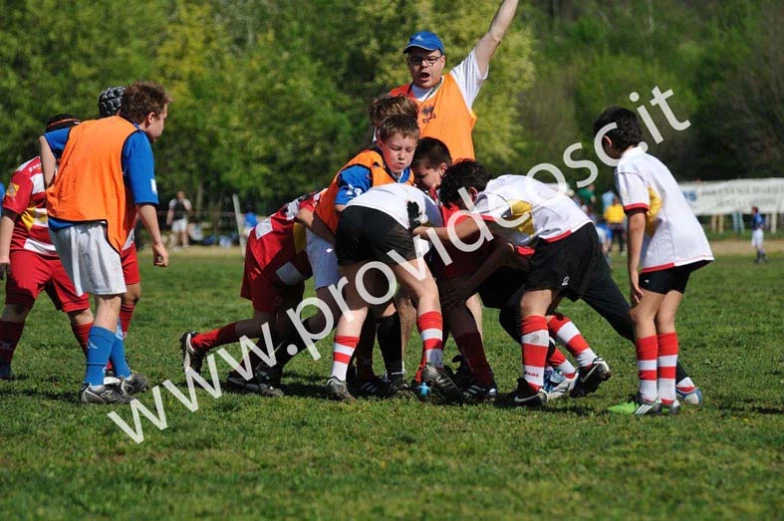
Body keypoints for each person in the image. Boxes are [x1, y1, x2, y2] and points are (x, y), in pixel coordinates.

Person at [40, 80, 171, 405]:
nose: (164, 125)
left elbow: (45, 139)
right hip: (92, 224)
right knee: (112, 300)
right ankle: (93, 383)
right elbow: (144, 200)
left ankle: (122, 373)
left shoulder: (85, 129)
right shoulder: (135, 138)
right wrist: (158, 242)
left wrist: (50, 180)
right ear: (150, 116)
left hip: (59, 222)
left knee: (106, 299)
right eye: (165, 118)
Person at [594, 107, 714, 415]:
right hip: (691, 241)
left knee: (639, 316)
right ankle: (668, 398)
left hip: (667, 243)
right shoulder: (651, 160)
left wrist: (632, 266)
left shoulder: (626, 167)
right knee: (663, 318)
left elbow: (636, 217)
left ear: (607, 142)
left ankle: (648, 398)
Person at [328, 182, 461, 402]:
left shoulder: (392, 189)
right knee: (427, 292)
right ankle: (435, 364)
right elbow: (419, 249)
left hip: (349, 218)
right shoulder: (433, 210)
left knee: (355, 305)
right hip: (384, 221)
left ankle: (337, 377)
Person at [180, 191, 322, 396]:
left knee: (287, 323)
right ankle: (197, 343)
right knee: (263, 325)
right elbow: (304, 215)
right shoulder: (338, 194)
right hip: (269, 250)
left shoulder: (342, 194)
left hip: (292, 257)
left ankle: (242, 373)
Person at [0, 115, 94, 380]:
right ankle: (2, 361)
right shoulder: (28, 172)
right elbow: (8, 215)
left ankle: (104, 369)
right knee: (18, 306)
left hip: (65, 254)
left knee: (81, 311)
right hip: (28, 249)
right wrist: (3, 255)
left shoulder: (81, 170)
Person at [98, 86, 144, 339]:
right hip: (104, 230)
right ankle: (108, 362)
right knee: (109, 299)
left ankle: (117, 345)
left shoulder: (131, 139)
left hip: (125, 231)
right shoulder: (104, 140)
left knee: (131, 295)